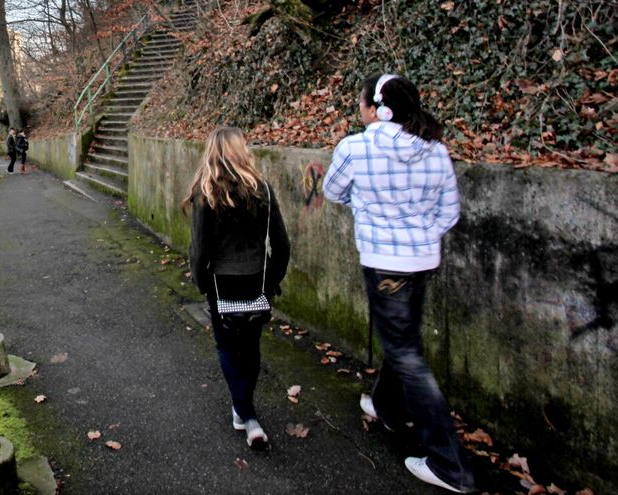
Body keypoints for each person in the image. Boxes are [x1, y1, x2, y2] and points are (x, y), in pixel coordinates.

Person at [323, 73, 476, 493]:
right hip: (422, 259)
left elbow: (333, 191)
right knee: (402, 340)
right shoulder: (435, 150)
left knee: (405, 352)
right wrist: (420, 235)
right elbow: (449, 213)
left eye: (362, 102)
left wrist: (369, 208)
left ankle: (450, 464)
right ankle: (386, 406)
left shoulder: (356, 146)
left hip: (383, 262)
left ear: (378, 109)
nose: (359, 108)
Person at [184, 127, 290, 450]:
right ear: (240, 150)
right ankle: (243, 410)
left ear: (213, 153)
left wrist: (202, 283)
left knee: (227, 348)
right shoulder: (264, 191)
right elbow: (282, 245)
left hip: (222, 285)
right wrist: (271, 282)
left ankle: (247, 415)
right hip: (256, 281)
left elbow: (199, 250)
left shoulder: (207, 193)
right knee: (251, 348)